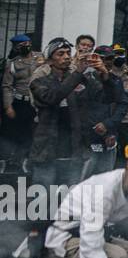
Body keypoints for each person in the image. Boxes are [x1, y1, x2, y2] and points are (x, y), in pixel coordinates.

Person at [29, 37, 102, 192]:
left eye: (68, 53)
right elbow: (53, 97)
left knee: (70, 193)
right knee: (44, 193)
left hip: (73, 146)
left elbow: (101, 96)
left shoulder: (78, 76)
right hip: (48, 146)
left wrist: (103, 72)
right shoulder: (40, 81)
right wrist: (77, 73)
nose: (67, 57)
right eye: (60, 54)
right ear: (50, 61)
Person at [80, 44, 127, 179]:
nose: (107, 62)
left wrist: (108, 126)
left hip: (109, 136)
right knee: (84, 178)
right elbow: (82, 108)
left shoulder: (115, 80)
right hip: (88, 136)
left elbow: (122, 105)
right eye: (103, 58)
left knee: (106, 177)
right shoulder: (85, 78)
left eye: (110, 58)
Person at [2, 32, 42, 173]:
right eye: (21, 45)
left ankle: (27, 159)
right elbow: (7, 86)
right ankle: (12, 161)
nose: (25, 47)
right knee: (16, 132)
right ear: (16, 48)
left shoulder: (41, 58)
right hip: (21, 102)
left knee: (34, 133)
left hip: (38, 101)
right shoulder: (13, 64)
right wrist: (8, 106)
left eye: (27, 44)